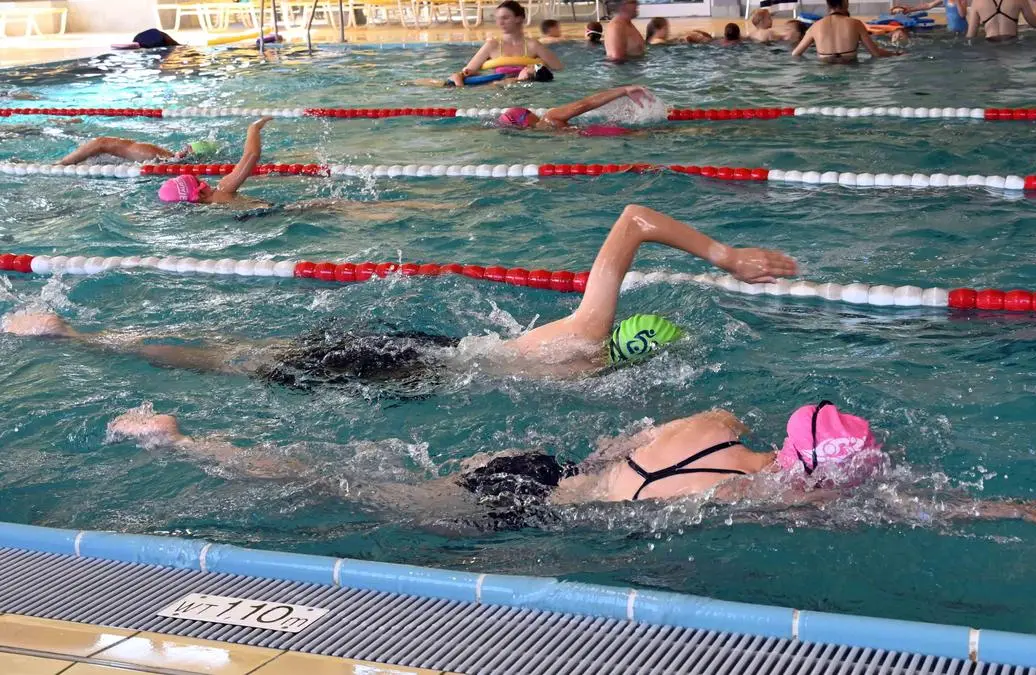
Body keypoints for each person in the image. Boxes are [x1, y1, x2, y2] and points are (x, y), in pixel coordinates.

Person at [3, 205, 798, 395]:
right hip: (411, 365)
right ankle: (75, 337)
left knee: (244, 355)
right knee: (236, 363)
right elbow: (631, 218)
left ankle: (86, 335)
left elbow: (633, 224)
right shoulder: (587, 341)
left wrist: (727, 256)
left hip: (427, 355)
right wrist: (728, 256)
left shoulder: (584, 347)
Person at [106, 402, 1036, 536]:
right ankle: (183, 442)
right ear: (815, 475)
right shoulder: (742, 495)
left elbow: (608, 445)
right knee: (330, 484)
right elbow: (905, 513)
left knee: (353, 469)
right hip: (516, 501)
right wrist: (1016, 508)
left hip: (533, 461)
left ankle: (190, 439)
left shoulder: (718, 427)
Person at [146, 117, 272, 207]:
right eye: (199, 180)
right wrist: (254, 128)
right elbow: (252, 154)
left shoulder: (206, 207)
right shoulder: (223, 189)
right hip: (270, 214)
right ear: (200, 192)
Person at [451, 1, 563, 85]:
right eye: (498, 18)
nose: (500, 22)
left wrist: (537, 69)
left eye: (505, 18)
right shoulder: (492, 45)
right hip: (496, 89)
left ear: (518, 18)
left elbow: (559, 70)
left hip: (527, 91)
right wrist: (460, 77)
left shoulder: (533, 45)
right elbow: (467, 72)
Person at [496, 84, 652, 135]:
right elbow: (585, 104)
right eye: (527, 111)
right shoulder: (550, 117)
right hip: (600, 131)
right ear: (526, 116)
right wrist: (623, 90)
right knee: (653, 131)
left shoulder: (540, 134)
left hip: (590, 138)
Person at [792, 0, 902, 62]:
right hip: (850, 66)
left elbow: (795, 54)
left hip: (825, 68)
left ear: (828, 4)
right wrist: (897, 54)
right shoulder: (856, 24)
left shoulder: (815, 26)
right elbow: (876, 53)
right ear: (845, 3)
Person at [57, 137, 220, 166]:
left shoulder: (157, 158)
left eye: (187, 150)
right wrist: (64, 163)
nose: (183, 153)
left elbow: (102, 142)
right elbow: (101, 143)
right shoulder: (153, 155)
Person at [965, 0, 1036, 41]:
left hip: (990, 47)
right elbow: (1035, 24)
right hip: (1012, 44)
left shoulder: (977, 2)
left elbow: (971, 35)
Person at [440, 63, 554, 88]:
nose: (526, 66)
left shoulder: (511, 83)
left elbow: (487, 87)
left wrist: (458, 83)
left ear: (528, 77)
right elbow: (487, 79)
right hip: (458, 82)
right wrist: (475, 73)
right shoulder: (510, 77)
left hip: (453, 85)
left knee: (432, 83)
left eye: (529, 67)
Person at [891, 0, 967, 33]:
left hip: (962, 30)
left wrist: (957, 2)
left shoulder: (962, 0)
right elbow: (928, 5)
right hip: (951, 30)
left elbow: (962, 15)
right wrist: (910, 10)